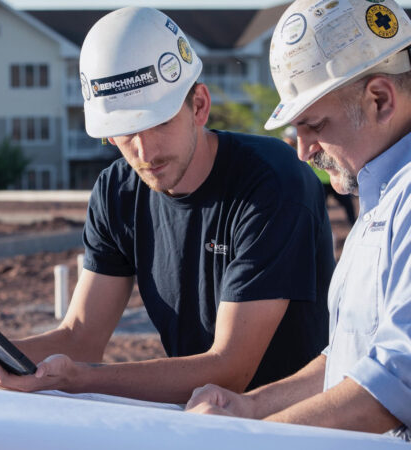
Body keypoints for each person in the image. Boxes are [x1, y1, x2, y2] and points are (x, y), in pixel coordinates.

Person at [0, 7, 334, 404]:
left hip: (299, 425)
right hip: (201, 416)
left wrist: (78, 378)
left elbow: (230, 369)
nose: (145, 151)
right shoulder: (118, 192)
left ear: (199, 106)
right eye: (125, 131)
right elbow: (79, 337)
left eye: (159, 122)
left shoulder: (272, 183)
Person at [186, 0, 411, 438]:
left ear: (380, 99)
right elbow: (352, 358)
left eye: (314, 125)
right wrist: (249, 406)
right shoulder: (381, 193)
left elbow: (397, 381)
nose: (303, 150)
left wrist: (250, 438)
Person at [282, 126, 357, 226]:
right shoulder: (302, 153)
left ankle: (353, 223)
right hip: (322, 184)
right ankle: (322, 229)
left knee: (345, 205)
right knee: (321, 209)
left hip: (330, 181)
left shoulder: (306, 150)